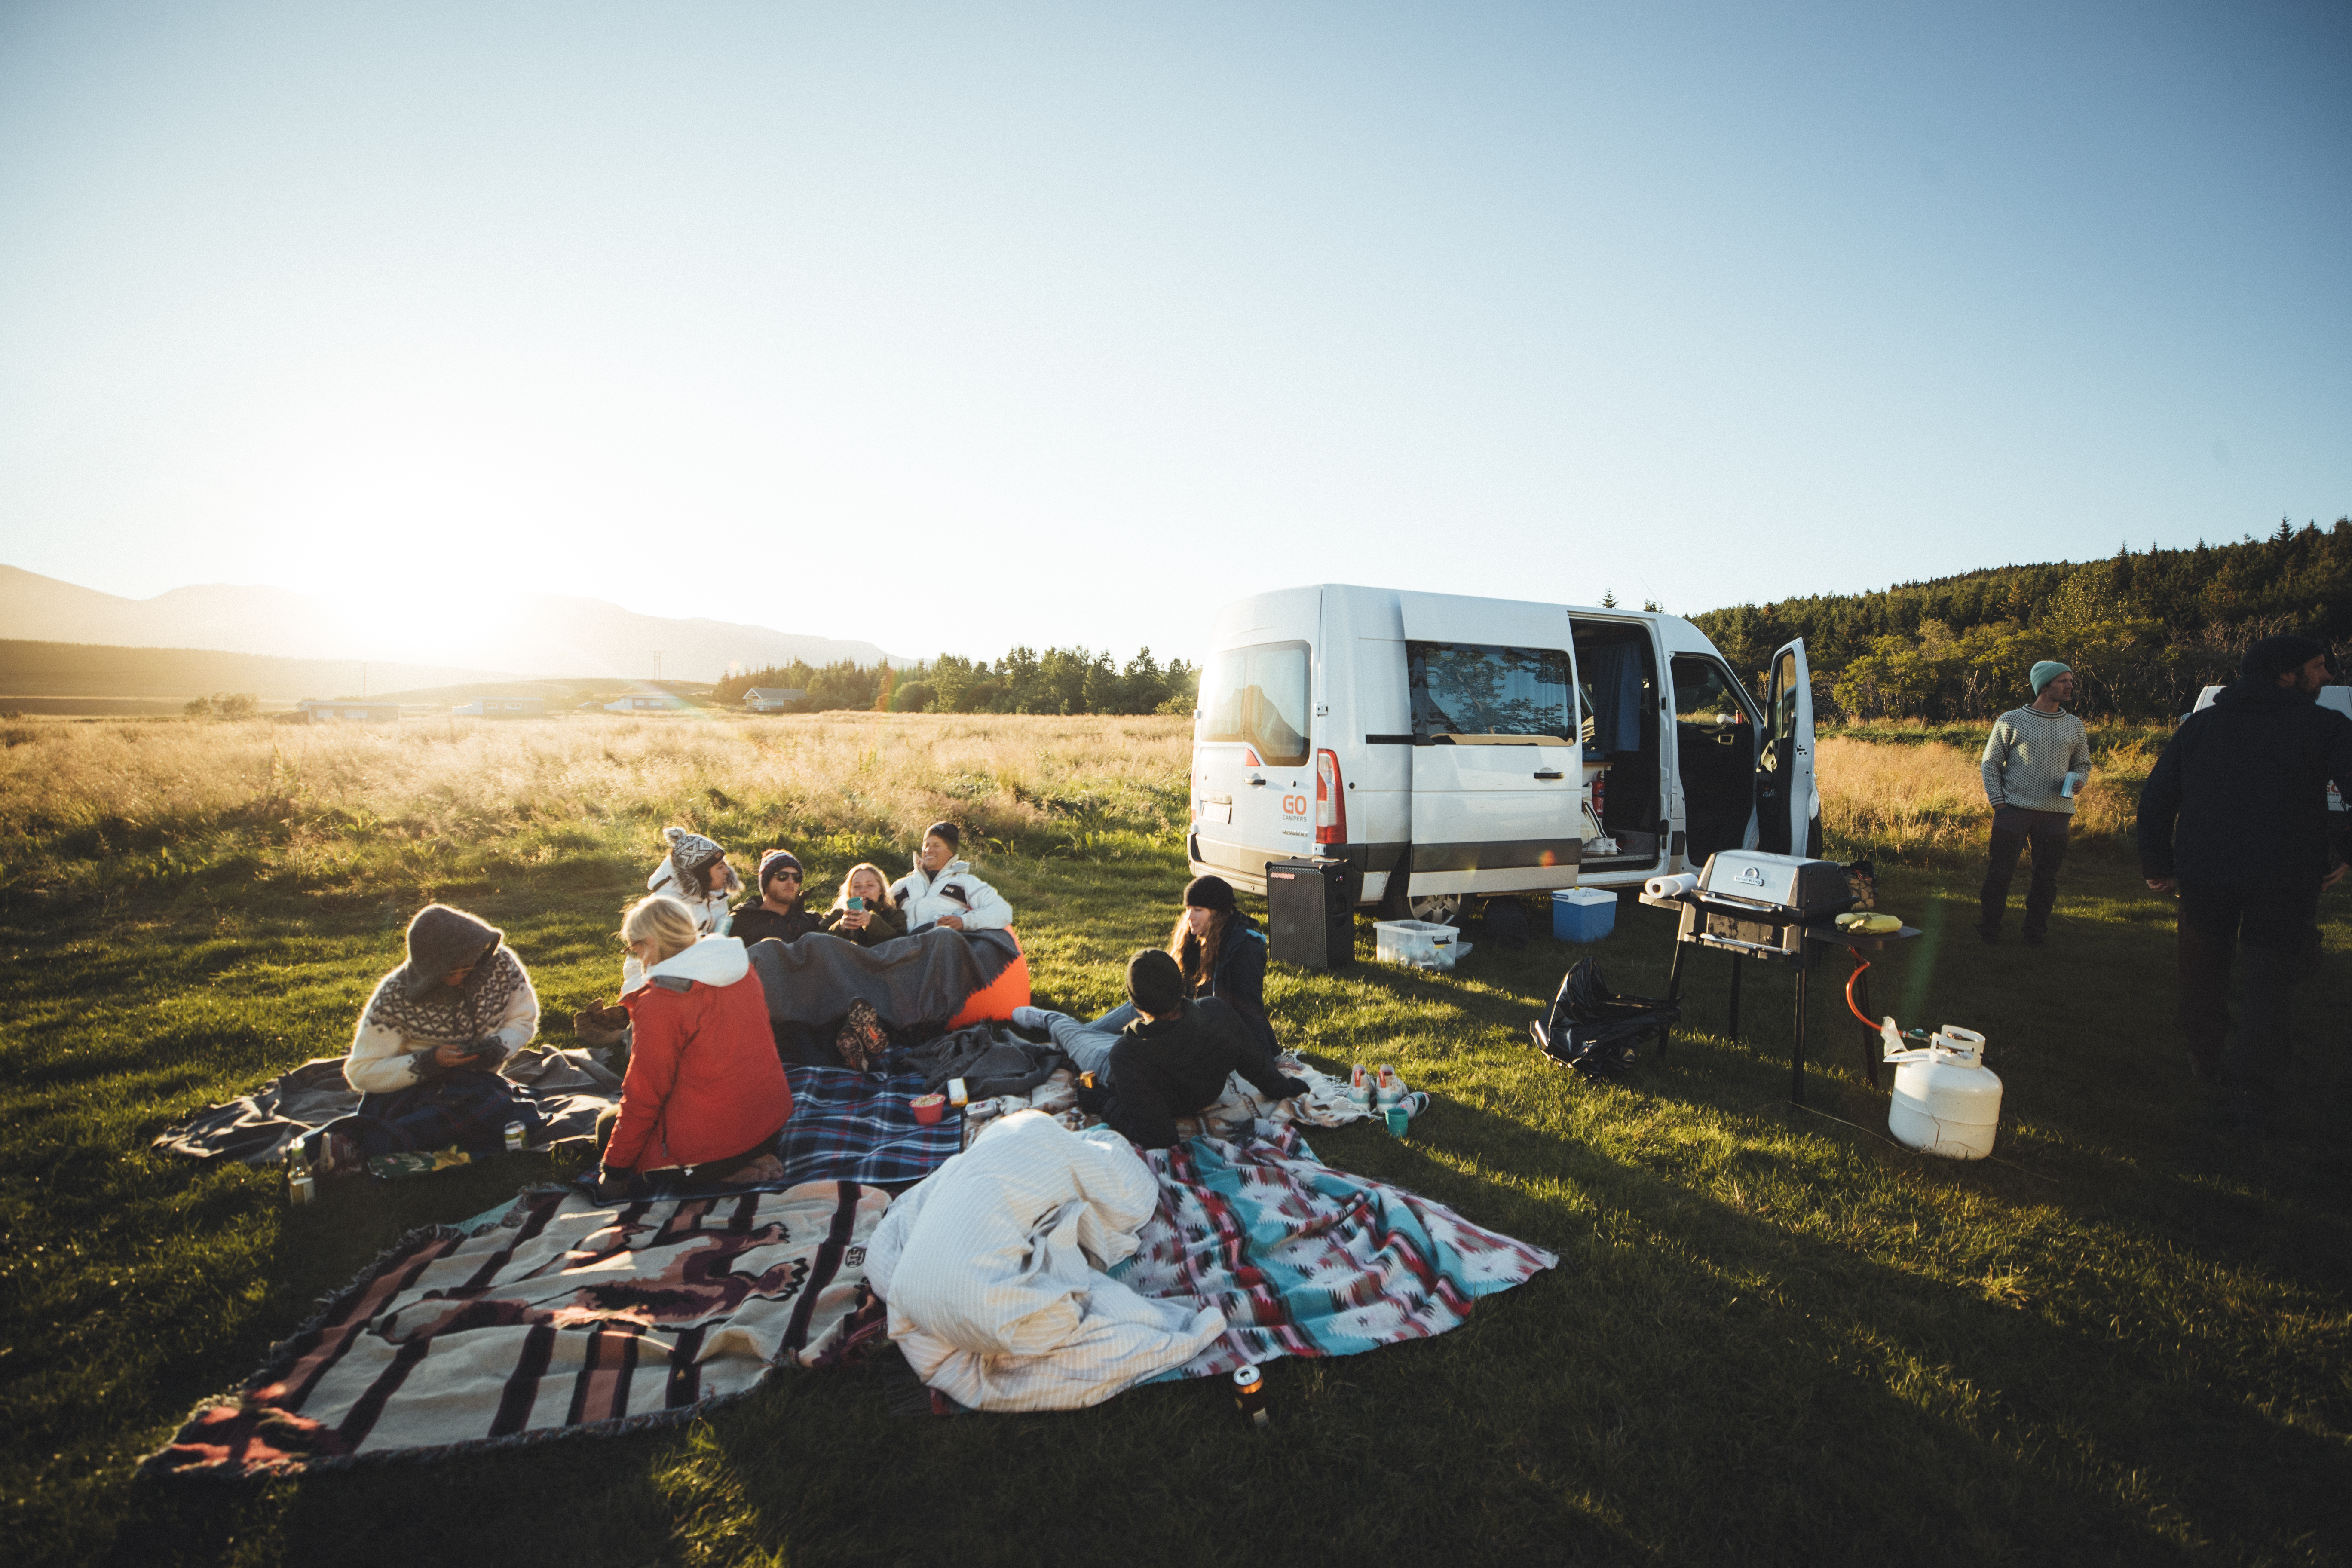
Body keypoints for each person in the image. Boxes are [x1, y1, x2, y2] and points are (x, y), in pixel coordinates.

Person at [2138, 634, 2352, 1136]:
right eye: (2319, 668)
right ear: (2285, 673)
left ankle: (2206, 1059)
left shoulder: (2203, 725)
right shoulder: (2325, 726)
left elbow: (2156, 798)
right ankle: (2254, 1086)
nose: (2327, 678)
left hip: (2205, 872)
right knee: (2270, 981)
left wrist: (2158, 863)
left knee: (2203, 970)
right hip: (2286, 875)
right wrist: (2345, 853)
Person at [305, 904, 543, 1174]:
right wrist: (429, 1062)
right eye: (448, 973)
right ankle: (352, 1143)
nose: (458, 978)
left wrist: (497, 1047)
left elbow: (522, 1020)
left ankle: (364, 1147)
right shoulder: (396, 995)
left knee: (513, 1115)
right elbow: (361, 1072)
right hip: (410, 1090)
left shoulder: (501, 966)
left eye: (465, 969)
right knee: (466, 1116)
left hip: (474, 1083)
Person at [594, 894, 795, 1194]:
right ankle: (748, 1155)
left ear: (649, 945)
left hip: (717, 1140)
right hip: (771, 1123)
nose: (636, 958)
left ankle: (722, 1173)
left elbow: (644, 1095)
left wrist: (613, 1174)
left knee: (607, 1126)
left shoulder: (663, 1001)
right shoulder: (740, 967)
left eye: (633, 950)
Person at [1012, 875, 1278, 1071]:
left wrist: (1264, 1058)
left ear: (1218, 914)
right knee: (1139, 1004)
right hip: (1185, 1018)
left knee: (1120, 1051)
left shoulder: (1244, 949)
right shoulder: (1196, 941)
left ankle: (1066, 1038)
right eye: (1188, 910)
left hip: (1213, 1034)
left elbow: (1250, 1006)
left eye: (1198, 910)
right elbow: (1180, 987)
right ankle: (1074, 1036)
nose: (1190, 919)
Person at [1074, 949, 1309, 1150]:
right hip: (1204, 1090)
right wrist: (1287, 1088)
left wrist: (1104, 1103)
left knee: (1071, 1034)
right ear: (1180, 987)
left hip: (1120, 1071)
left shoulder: (1126, 1056)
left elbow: (1159, 1139)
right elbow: (1258, 1068)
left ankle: (1044, 1019)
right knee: (1080, 1034)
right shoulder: (1217, 1012)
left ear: (1135, 1004)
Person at [1977, 660, 2094, 946]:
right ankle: (1989, 931)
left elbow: (2083, 763)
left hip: (2057, 814)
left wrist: (2079, 780)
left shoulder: (2074, 725)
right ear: (2044, 685)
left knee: (2046, 879)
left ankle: (2035, 934)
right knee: (2000, 874)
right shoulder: (2012, 719)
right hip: (2013, 811)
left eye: (2071, 681)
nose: (2070, 687)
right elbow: (1990, 762)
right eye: (2064, 681)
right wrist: (1999, 803)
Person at [625, 827, 738, 991]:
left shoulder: (715, 896)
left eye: (725, 864)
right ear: (701, 875)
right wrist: (638, 993)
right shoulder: (664, 908)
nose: (727, 871)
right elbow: (640, 957)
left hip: (705, 975)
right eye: (720, 867)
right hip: (668, 985)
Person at [890, 821, 1012, 933]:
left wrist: (964, 922)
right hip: (903, 948)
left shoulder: (964, 882)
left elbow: (1003, 911)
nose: (928, 850)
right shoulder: (902, 885)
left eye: (936, 845)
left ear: (951, 852)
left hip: (940, 948)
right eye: (926, 844)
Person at [731, 849, 823, 947]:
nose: (791, 882)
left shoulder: (811, 922)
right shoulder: (741, 922)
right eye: (783, 876)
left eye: (797, 878)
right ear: (766, 883)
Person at [819, 862, 910, 947]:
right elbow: (815, 943)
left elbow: (901, 945)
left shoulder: (894, 915)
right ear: (850, 892)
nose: (863, 890)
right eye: (857, 887)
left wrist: (872, 922)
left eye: (870, 885)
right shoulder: (838, 915)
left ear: (881, 890)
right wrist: (840, 927)